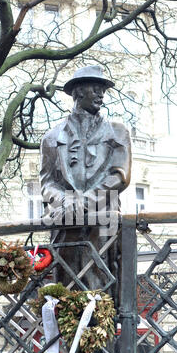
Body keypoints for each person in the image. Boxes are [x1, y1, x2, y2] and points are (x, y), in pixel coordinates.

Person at [40, 65, 131, 290]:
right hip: (66, 223)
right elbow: (47, 183)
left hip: (103, 221)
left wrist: (84, 201)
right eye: (96, 88)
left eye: (103, 90)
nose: (101, 94)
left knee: (101, 290)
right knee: (66, 292)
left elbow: (120, 176)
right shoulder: (51, 138)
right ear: (78, 92)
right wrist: (66, 201)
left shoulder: (118, 132)